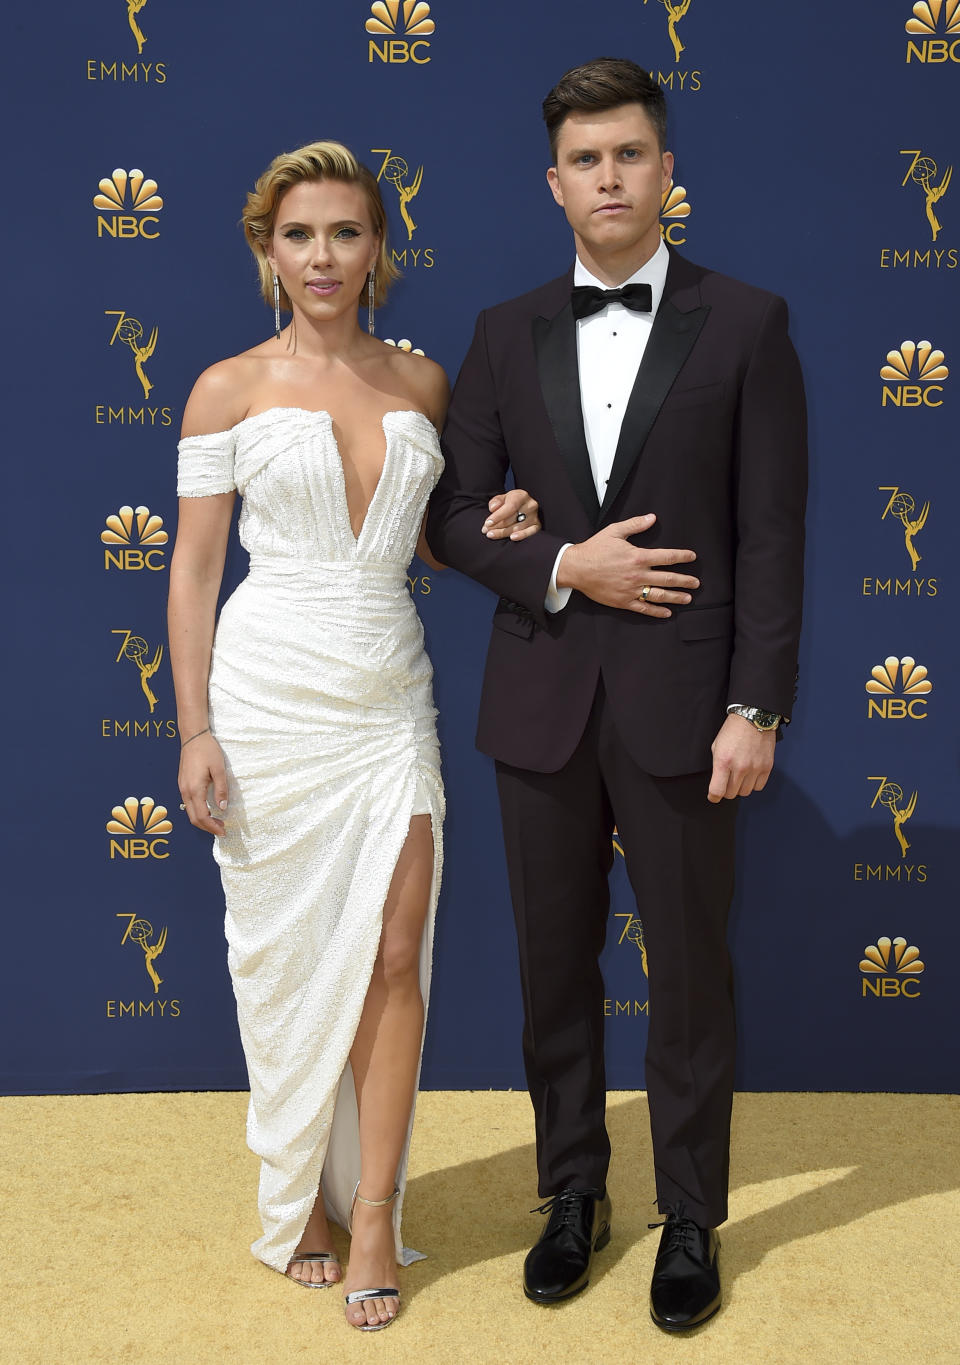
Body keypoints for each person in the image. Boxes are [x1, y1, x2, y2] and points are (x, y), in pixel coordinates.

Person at [426, 59, 807, 1332]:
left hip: (688, 706)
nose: (609, 176)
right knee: (552, 969)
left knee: (692, 972)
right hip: (539, 701)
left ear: (667, 170)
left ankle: (690, 1214)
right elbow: (451, 515)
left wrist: (757, 706)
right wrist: (552, 563)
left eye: (631, 154)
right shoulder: (500, 330)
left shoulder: (749, 323)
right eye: (586, 159)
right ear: (554, 182)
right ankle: (571, 1197)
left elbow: (771, 536)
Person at [167, 141, 539, 1332]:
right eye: (299, 235)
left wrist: (499, 522)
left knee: (394, 953)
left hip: (387, 695)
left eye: (345, 233)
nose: (323, 257)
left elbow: (428, 543)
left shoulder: (425, 382)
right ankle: (301, 1200)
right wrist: (194, 728)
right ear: (265, 252)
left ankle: (372, 1206)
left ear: (380, 249)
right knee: (286, 964)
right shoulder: (224, 388)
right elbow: (195, 568)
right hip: (271, 693)